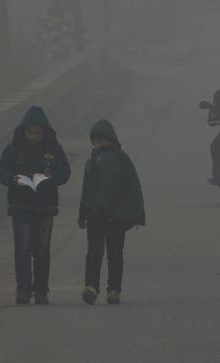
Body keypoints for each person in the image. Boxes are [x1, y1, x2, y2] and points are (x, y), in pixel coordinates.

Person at [0, 106, 71, 305]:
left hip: (45, 207)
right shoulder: (13, 149)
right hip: (20, 207)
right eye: (30, 132)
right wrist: (13, 178)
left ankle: (41, 290)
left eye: (37, 133)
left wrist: (52, 177)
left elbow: (65, 172)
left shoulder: (54, 149)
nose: (33, 136)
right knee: (23, 250)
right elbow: (1, 172)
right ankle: (23, 289)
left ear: (45, 131)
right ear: (24, 131)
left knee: (42, 250)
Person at [78, 120, 145, 306]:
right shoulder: (92, 161)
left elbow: (122, 188)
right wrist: (82, 212)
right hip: (99, 215)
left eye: (102, 140)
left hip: (113, 216)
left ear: (110, 140)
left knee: (111, 253)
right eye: (96, 140)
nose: (99, 144)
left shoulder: (116, 159)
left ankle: (112, 289)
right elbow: (87, 190)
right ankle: (94, 287)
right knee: (97, 253)